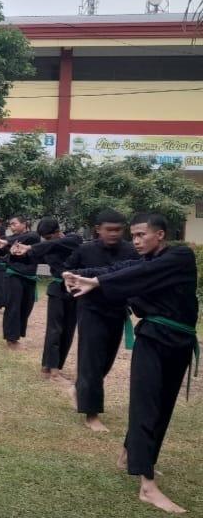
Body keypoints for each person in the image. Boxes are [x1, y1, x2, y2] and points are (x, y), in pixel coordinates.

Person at [64, 213, 198, 515]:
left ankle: (131, 455)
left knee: (163, 407)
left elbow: (136, 275)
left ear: (160, 234)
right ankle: (147, 486)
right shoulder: (143, 262)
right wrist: (80, 275)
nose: (135, 241)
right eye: (133, 236)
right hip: (152, 339)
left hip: (180, 342)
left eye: (141, 235)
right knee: (146, 406)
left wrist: (97, 281)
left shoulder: (179, 256)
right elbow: (121, 269)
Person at [64, 209, 140, 432]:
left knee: (106, 360)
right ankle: (92, 414)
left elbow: (134, 275)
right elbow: (69, 270)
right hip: (91, 309)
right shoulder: (85, 249)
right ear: (98, 230)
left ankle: (80, 388)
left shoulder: (131, 251)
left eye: (118, 230)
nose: (114, 234)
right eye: (109, 230)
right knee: (91, 361)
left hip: (117, 310)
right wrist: (68, 279)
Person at [10, 217, 82, 381]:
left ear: (58, 232)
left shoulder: (74, 239)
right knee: (54, 329)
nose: (46, 241)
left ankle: (57, 367)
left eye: (48, 238)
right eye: (44, 238)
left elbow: (51, 245)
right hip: (57, 289)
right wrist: (16, 252)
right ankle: (48, 366)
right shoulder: (48, 245)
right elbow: (32, 257)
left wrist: (31, 246)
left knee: (68, 330)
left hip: (75, 291)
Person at [0, 215, 40, 350]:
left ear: (24, 223)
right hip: (14, 276)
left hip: (29, 277)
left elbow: (16, 241)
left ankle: (16, 335)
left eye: (14, 224)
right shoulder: (8, 241)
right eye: (10, 225)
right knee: (13, 307)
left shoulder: (32, 236)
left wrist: (4, 241)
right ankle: (11, 339)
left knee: (26, 307)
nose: (11, 227)